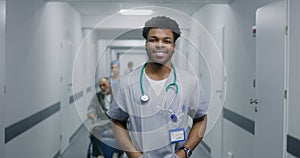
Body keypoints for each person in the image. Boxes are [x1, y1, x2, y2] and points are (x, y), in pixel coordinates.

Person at [106, 16, 209, 158]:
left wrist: (184, 152)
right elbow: (117, 121)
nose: (160, 45)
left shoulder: (189, 82)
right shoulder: (127, 83)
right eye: (153, 40)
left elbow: (201, 118)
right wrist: (132, 154)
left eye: (167, 41)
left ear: (174, 46)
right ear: (146, 44)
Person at [87, 77, 123, 158]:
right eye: (100, 86)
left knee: (121, 131)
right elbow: (91, 107)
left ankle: (116, 153)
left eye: (104, 85)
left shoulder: (117, 95)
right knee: (95, 130)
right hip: (102, 121)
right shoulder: (98, 96)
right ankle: (99, 155)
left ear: (109, 84)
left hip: (115, 121)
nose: (102, 87)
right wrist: (91, 113)